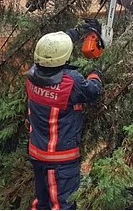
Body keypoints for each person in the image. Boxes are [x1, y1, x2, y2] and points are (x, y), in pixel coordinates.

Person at [27, 22, 104, 210]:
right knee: (62, 206)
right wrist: (96, 72)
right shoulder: (71, 82)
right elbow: (93, 91)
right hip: (60, 160)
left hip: (37, 153)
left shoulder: (32, 74)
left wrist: (76, 32)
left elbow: (52, 51)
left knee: (42, 203)